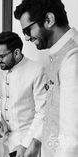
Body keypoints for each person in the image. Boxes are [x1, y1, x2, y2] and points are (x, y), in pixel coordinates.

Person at [14, 0, 78, 156]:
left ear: (49, 20)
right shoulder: (59, 54)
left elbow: (71, 140)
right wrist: (35, 143)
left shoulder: (72, 58)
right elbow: (52, 109)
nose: (27, 38)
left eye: (28, 31)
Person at [0, 31, 47, 157]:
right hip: (6, 137)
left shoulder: (37, 70)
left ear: (16, 52)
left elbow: (43, 112)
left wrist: (26, 144)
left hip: (28, 138)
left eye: (1, 56)